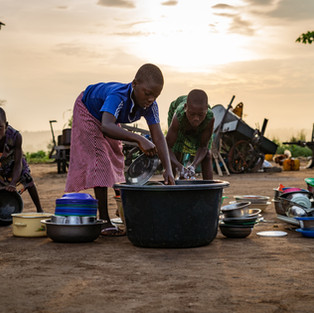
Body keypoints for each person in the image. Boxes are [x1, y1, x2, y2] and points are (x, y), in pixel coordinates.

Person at [65, 63, 175, 236]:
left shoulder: (150, 106)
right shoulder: (118, 96)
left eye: (155, 95)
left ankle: (122, 208)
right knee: (100, 160)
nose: (151, 99)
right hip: (88, 110)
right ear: (134, 84)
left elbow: (158, 136)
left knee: (116, 156)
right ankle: (103, 220)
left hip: (106, 119)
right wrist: (139, 139)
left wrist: (168, 169)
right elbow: (107, 126)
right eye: (147, 93)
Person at [0, 107, 43, 212]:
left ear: (6, 125)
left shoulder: (16, 136)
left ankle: (39, 210)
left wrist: (13, 183)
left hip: (14, 161)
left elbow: (18, 163)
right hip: (1, 164)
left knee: (27, 178)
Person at [166, 89, 215, 180]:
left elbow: (203, 147)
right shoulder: (178, 116)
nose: (196, 119)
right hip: (180, 119)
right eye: (192, 114)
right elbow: (167, 147)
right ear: (185, 108)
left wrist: (194, 166)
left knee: (207, 155)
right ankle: (170, 187)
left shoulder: (209, 118)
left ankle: (209, 190)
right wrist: (179, 166)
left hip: (201, 128)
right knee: (176, 151)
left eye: (200, 115)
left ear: (206, 111)